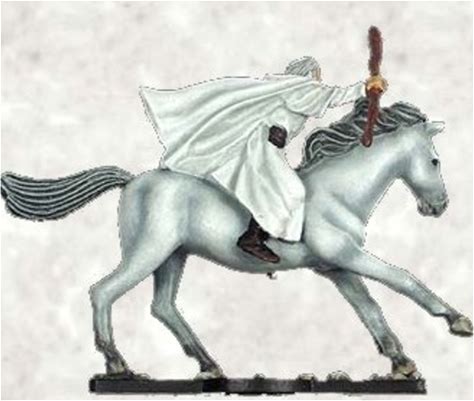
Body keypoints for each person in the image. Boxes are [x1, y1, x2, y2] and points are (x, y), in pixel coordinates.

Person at [140, 57, 387, 263]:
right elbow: (332, 96)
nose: (318, 81)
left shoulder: (285, 89)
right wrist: (364, 88)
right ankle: (252, 238)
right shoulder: (299, 88)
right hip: (261, 147)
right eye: (316, 76)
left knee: (279, 189)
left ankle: (260, 233)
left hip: (264, 146)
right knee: (292, 191)